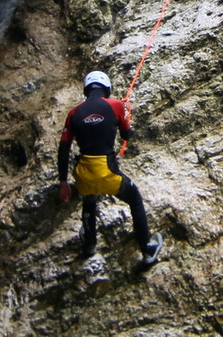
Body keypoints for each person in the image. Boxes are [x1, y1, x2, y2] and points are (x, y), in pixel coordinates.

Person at [58, 70, 162, 267]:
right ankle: (147, 248)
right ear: (107, 88)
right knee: (135, 199)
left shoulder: (73, 114)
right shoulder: (115, 105)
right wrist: (123, 116)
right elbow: (126, 135)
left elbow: (63, 148)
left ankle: (89, 245)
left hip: (84, 174)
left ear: (86, 90)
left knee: (89, 200)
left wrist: (63, 182)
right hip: (106, 171)